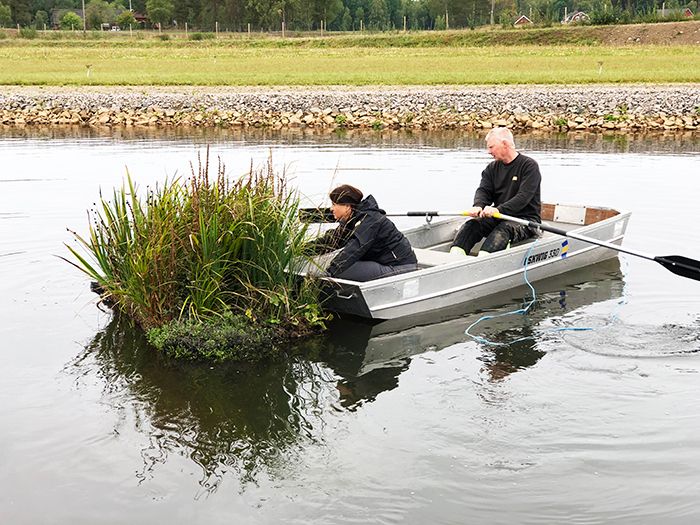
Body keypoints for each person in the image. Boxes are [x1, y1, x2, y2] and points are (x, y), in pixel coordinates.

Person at [450, 127, 541, 257]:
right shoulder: (492, 168)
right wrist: (478, 205)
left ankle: (484, 259)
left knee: (503, 230)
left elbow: (523, 197)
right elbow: (484, 191)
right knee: (472, 225)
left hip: (525, 220)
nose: (488, 152)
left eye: (491, 147)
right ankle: (454, 258)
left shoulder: (529, 166)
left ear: (505, 144)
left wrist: (499, 210)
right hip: (499, 216)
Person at [307, 184, 418, 281]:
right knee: (337, 262)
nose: (331, 209)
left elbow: (355, 247)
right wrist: (304, 249)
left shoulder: (370, 220)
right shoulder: (353, 219)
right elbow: (332, 240)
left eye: (334, 204)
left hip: (400, 267)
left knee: (342, 269)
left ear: (347, 206)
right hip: (379, 262)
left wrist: (328, 273)